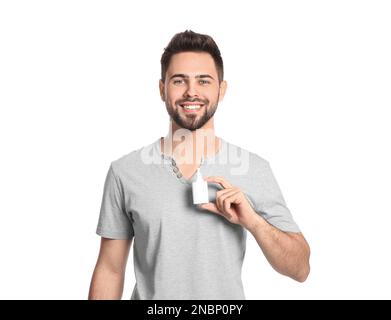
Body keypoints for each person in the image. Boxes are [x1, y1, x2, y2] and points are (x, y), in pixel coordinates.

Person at [88, 30, 310, 300]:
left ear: (221, 89)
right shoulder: (125, 172)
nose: (191, 92)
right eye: (179, 81)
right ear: (162, 89)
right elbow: (110, 270)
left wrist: (253, 221)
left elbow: (300, 269)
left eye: (204, 81)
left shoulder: (253, 169)